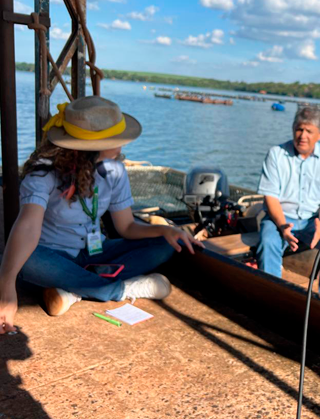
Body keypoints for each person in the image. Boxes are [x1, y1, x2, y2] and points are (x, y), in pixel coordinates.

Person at [0, 96, 203, 333]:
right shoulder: (44, 173)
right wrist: (6, 286)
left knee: (167, 244)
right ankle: (123, 290)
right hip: (51, 256)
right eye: (117, 138)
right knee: (25, 260)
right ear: (93, 146)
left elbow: (126, 227)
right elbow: (27, 226)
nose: (124, 144)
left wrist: (166, 230)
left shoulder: (115, 172)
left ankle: (74, 291)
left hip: (96, 253)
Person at [256, 107, 320, 300]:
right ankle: (273, 296)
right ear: (292, 129)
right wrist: (282, 226)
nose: (302, 136)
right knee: (268, 241)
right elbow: (270, 197)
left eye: (309, 131)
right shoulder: (276, 154)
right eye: (299, 129)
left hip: (313, 220)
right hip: (279, 218)